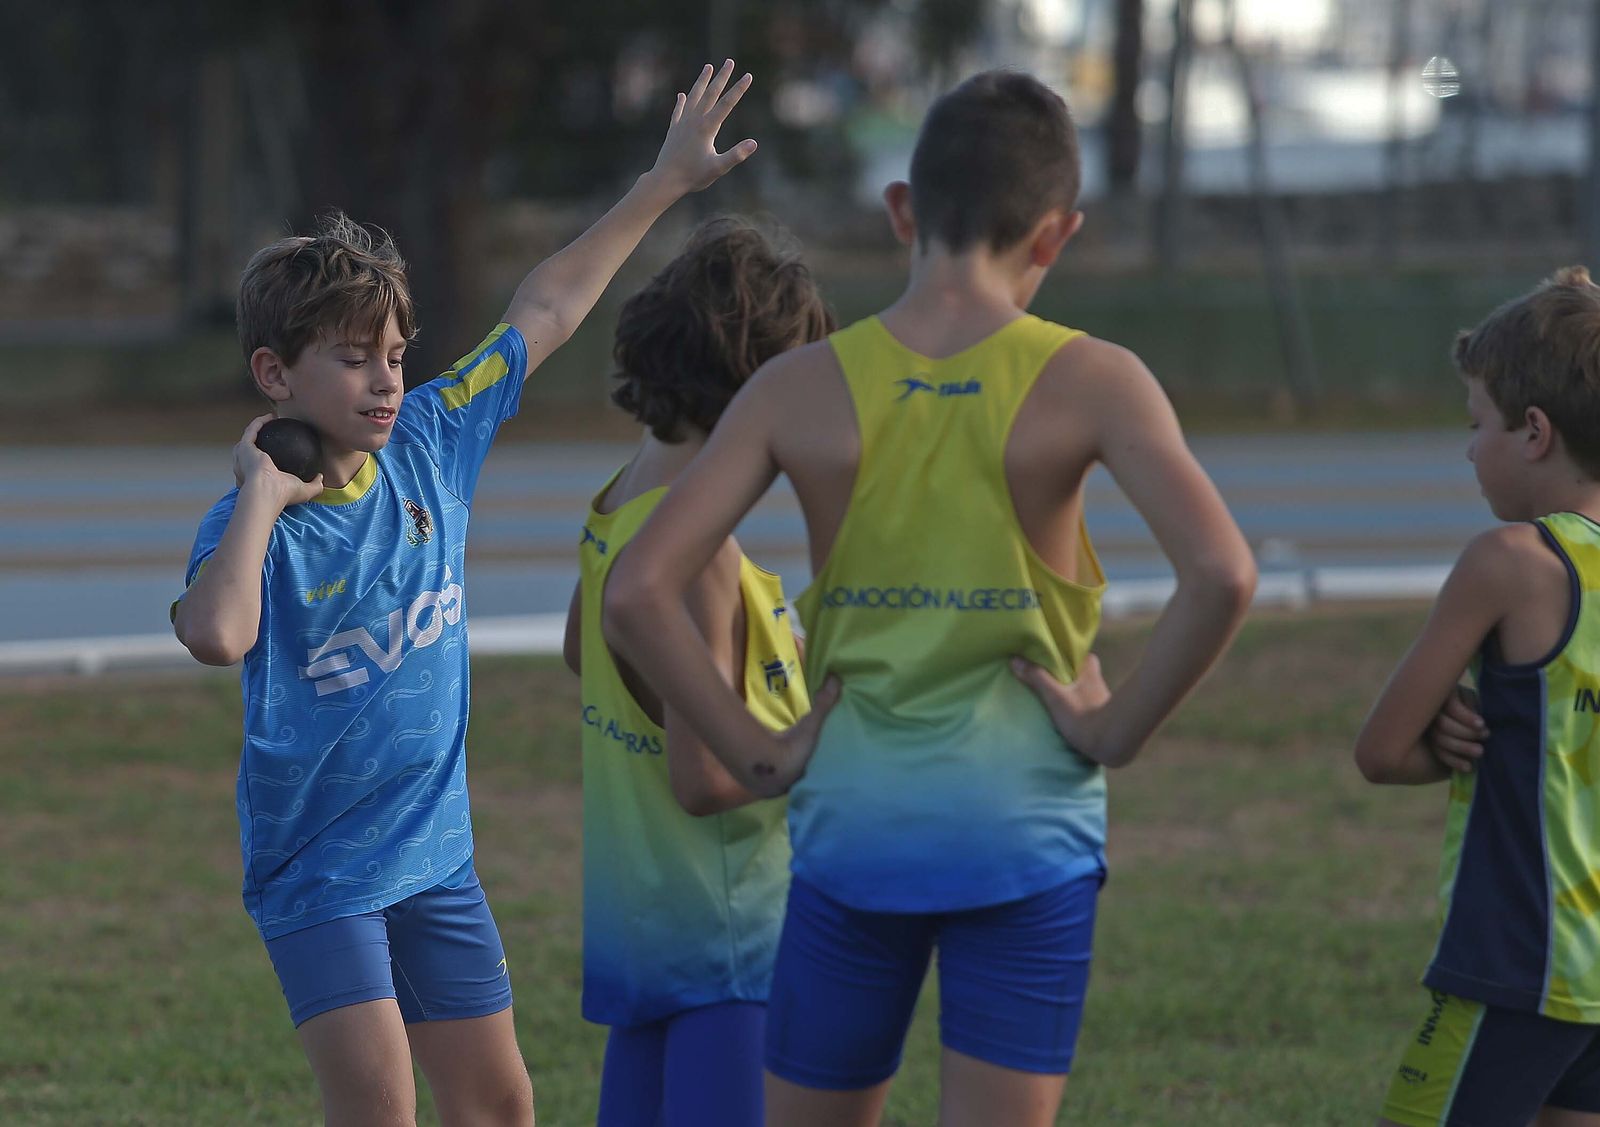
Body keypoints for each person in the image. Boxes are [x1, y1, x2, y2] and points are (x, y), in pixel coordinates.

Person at [602, 69, 1256, 1127]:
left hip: (855, 828)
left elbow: (638, 588)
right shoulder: (1098, 379)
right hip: (1025, 834)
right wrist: (1113, 729)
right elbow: (1223, 573)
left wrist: (755, 751)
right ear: (1055, 235)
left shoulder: (796, 386)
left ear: (902, 208)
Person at [170, 60, 758, 1127]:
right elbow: (218, 633)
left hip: (436, 859)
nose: (387, 379)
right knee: (380, 1109)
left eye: (396, 354)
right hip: (321, 876)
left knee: (499, 1105)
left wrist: (665, 183)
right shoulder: (258, 525)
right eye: (354, 360)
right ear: (274, 376)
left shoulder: (434, 440)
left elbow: (548, 303)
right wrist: (260, 493)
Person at [560, 215, 834, 1126]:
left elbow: (584, 651)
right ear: (755, 391)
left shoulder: (621, 500)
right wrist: (826, 731)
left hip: (645, 929)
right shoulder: (701, 557)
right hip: (733, 944)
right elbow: (706, 777)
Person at [1355, 266, 1600, 1127]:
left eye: (1476, 424)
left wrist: (1446, 733)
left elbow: (1381, 751)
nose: (1468, 449)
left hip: (1519, 960)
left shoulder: (1511, 562)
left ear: (1534, 431)